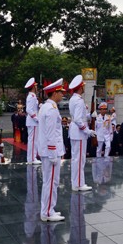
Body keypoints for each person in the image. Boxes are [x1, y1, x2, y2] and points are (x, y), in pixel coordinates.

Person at [38, 78, 66, 222]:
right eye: (61, 92)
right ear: (54, 93)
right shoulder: (51, 109)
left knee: (49, 182)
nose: (62, 94)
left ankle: (48, 209)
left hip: (48, 151)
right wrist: (53, 152)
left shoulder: (46, 107)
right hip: (51, 152)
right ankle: (48, 212)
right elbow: (50, 133)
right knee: (51, 182)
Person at [68, 75, 93, 192]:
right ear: (80, 88)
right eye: (83, 87)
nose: (84, 88)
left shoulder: (73, 99)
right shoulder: (78, 101)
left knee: (76, 158)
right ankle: (78, 184)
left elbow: (78, 116)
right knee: (79, 159)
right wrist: (87, 130)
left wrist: (88, 115)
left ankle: (76, 182)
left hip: (75, 131)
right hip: (79, 132)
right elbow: (78, 119)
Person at [25, 77, 42, 164]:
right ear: (33, 87)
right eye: (36, 86)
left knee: (33, 140)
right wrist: (37, 119)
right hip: (33, 121)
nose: (37, 87)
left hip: (32, 121)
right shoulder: (31, 96)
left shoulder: (32, 96)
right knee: (33, 140)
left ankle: (32, 157)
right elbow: (29, 109)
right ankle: (32, 158)